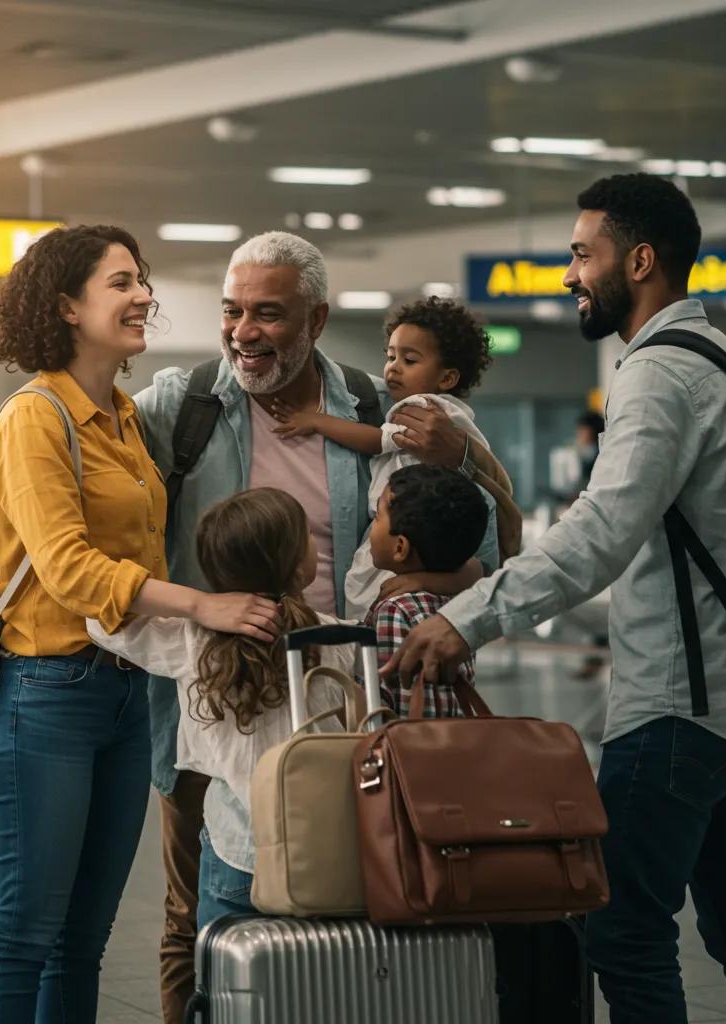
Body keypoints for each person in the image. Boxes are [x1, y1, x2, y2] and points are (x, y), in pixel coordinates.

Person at [383, 174, 726, 1024]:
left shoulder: (658, 375)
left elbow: (600, 535)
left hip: (682, 710)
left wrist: (466, 616)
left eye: (583, 254)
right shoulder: (724, 354)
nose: (569, 274)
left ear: (641, 260)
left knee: (620, 929)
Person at [131, 231, 509, 1024]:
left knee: (341, 907)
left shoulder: (380, 413)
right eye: (234, 311)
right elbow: (85, 446)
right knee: (190, 918)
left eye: (268, 314)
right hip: (216, 706)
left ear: (318, 319)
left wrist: (472, 463)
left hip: (344, 712)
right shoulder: (187, 404)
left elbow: (471, 549)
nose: (244, 332)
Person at [0, 225, 278, 1024]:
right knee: (28, 930)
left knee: (86, 937)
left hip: (126, 693)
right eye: (121, 282)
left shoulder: (119, 416)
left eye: (141, 279)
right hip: (45, 694)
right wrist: (200, 605)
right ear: (67, 305)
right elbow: (66, 566)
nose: (144, 295)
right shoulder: (35, 418)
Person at [87, 487, 357, 928]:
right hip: (318, 849)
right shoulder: (336, 640)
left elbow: (97, 618)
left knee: (224, 977)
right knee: (311, 973)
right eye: (306, 534)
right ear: (293, 564)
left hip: (235, 847)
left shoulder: (190, 639)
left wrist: (194, 605)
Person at [270, 295, 508, 621]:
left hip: (413, 530)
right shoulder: (458, 419)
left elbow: (376, 441)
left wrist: (316, 420)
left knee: (368, 592)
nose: (393, 367)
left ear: (448, 378)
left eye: (410, 360)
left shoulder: (423, 410)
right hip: (435, 547)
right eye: (391, 355)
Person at [365, 464, 488, 717]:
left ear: (400, 548)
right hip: (455, 746)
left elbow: (393, 707)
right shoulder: (461, 600)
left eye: (377, 516)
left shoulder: (395, 609)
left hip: (411, 752)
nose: (372, 526)